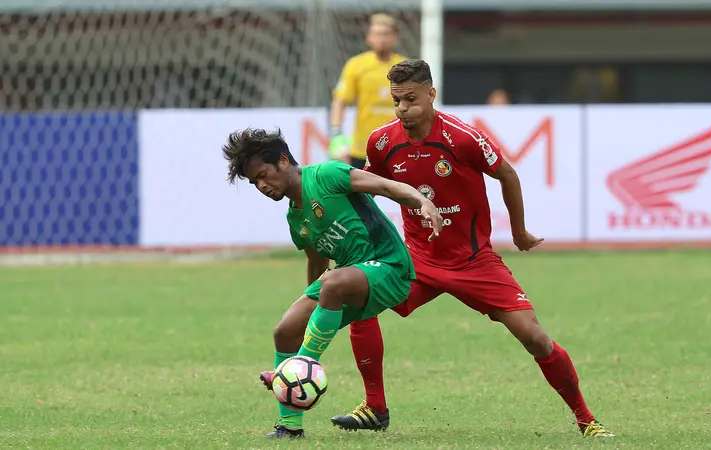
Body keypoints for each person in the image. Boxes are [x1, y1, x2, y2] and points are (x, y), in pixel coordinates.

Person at [330, 60, 615, 438]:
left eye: (411, 100)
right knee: (357, 302)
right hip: (417, 259)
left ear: (431, 94)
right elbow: (368, 187)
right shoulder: (382, 142)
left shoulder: (462, 137)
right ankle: (374, 408)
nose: (402, 109)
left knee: (534, 336)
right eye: (396, 101)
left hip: (473, 260)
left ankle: (586, 420)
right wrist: (359, 243)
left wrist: (519, 232)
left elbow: (507, 174)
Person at [222, 128, 443, 439]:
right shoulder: (295, 219)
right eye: (254, 182)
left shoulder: (327, 174)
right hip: (348, 278)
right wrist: (310, 308)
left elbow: (384, 186)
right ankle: (289, 427)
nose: (261, 185)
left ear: (283, 160)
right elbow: (317, 264)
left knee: (334, 283)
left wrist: (421, 200)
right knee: (285, 330)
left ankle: (299, 367)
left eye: (263, 175)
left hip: (390, 267)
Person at [328, 13, 406, 169]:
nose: (381, 39)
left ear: (395, 37)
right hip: (363, 149)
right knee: (362, 193)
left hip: (399, 148)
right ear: (369, 37)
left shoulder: (405, 66)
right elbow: (340, 100)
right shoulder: (356, 65)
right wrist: (336, 133)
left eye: (386, 34)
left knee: (403, 192)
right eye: (377, 34)